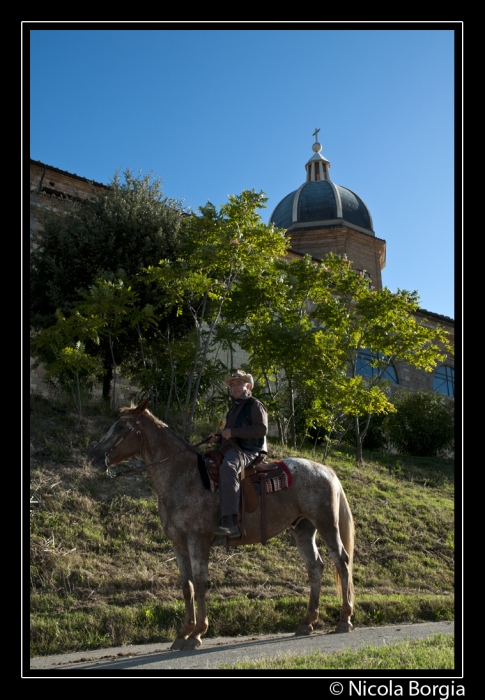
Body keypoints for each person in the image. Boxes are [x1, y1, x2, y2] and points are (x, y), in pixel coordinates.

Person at [210, 370, 268, 537]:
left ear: (247, 386)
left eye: (238, 384)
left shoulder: (255, 405)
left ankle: (231, 522)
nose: (234, 387)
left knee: (228, 467)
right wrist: (218, 439)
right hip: (233, 449)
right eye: (232, 385)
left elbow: (261, 429)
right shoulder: (233, 409)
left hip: (250, 450)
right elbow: (231, 436)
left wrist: (233, 432)